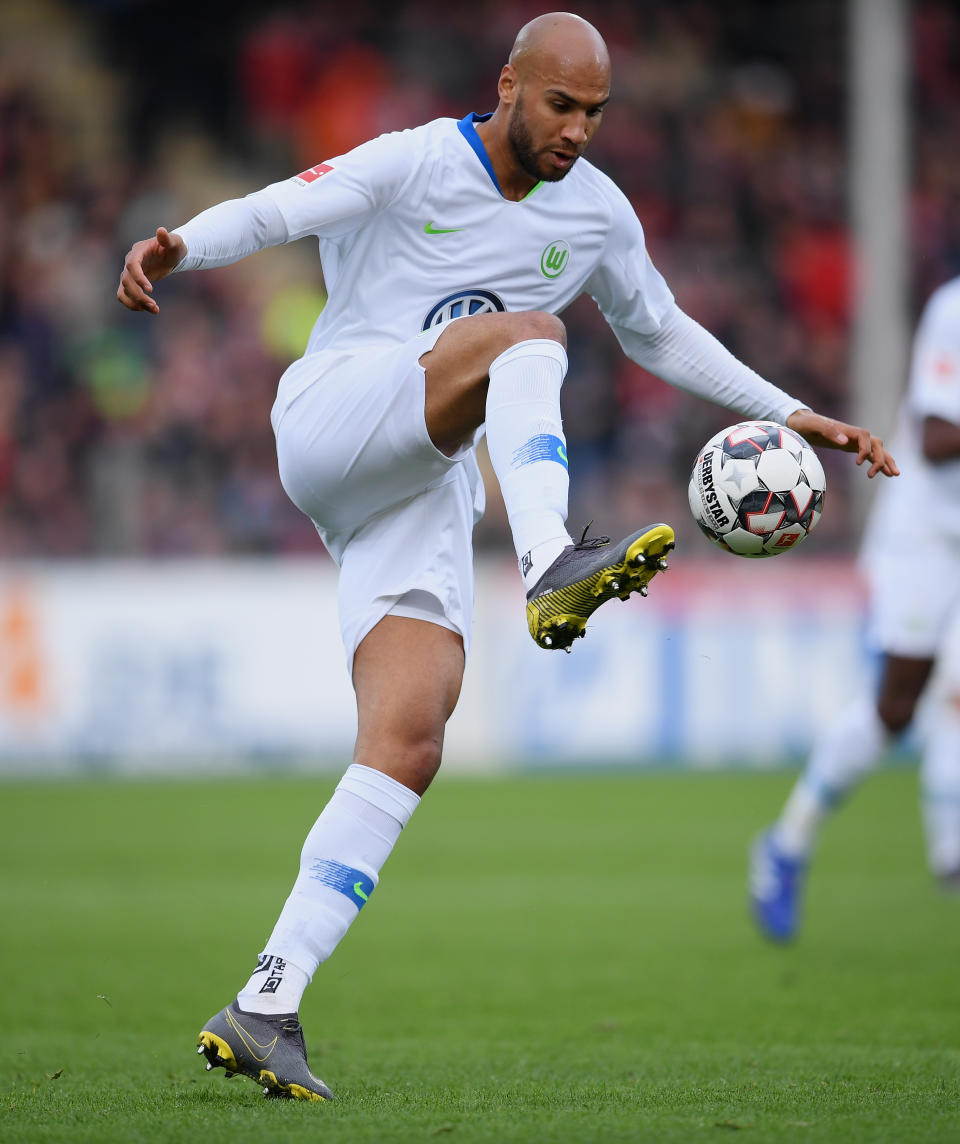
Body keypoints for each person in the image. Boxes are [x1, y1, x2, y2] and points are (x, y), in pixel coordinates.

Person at [118, 12, 897, 1102]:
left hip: (417, 484)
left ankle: (266, 1001)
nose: (578, 130)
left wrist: (797, 411)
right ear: (510, 86)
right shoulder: (417, 161)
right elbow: (282, 206)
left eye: (595, 113)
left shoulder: (597, 214)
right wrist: (179, 245)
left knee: (409, 737)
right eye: (561, 105)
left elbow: (660, 328)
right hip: (338, 414)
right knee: (533, 334)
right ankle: (548, 562)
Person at [750, 275, 960, 943]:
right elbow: (935, 438)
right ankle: (786, 845)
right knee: (896, 708)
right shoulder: (954, 308)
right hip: (925, 535)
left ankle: (950, 856)